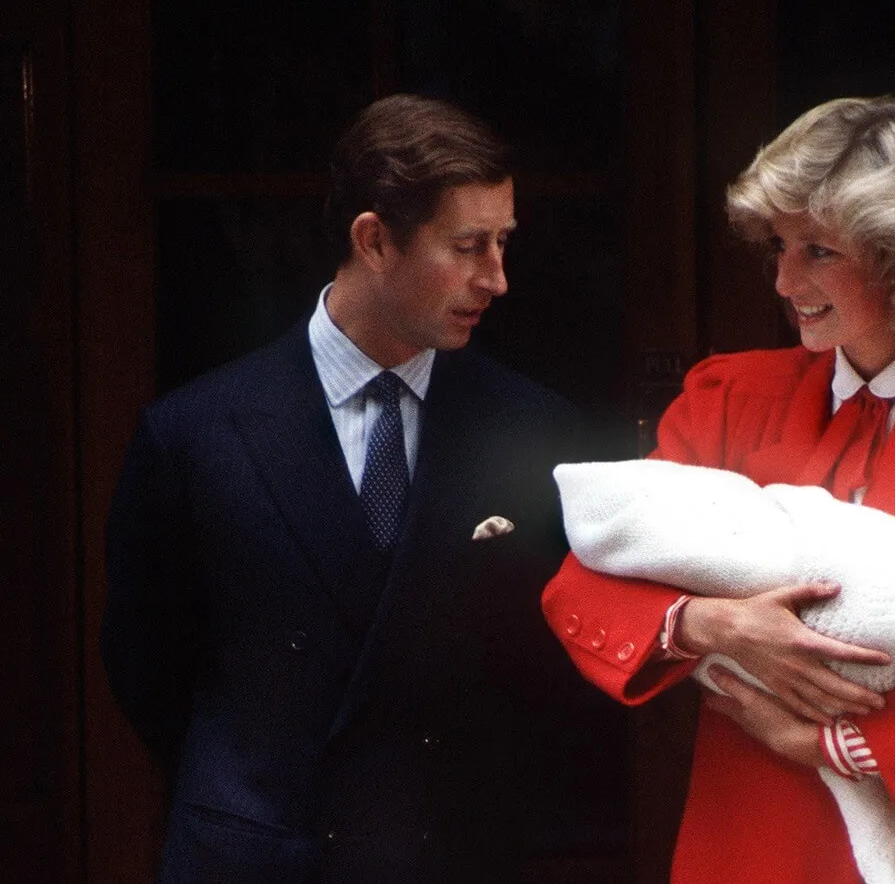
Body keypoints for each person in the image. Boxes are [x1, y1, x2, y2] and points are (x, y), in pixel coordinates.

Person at [542, 94, 895, 883]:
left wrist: (834, 744)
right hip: (752, 834)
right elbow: (585, 582)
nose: (781, 279)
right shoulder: (728, 397)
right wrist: (714, 625)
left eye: (818, 252)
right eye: (777, 246)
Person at [103, 93, 595, 883]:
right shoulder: (194, 432)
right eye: (469, 246)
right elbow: (146, 667)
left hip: (448, 853)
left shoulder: (534, 430)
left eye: (503, 242)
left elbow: (543, 679)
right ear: (374, 240)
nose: (497, 279)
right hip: (260, 853)